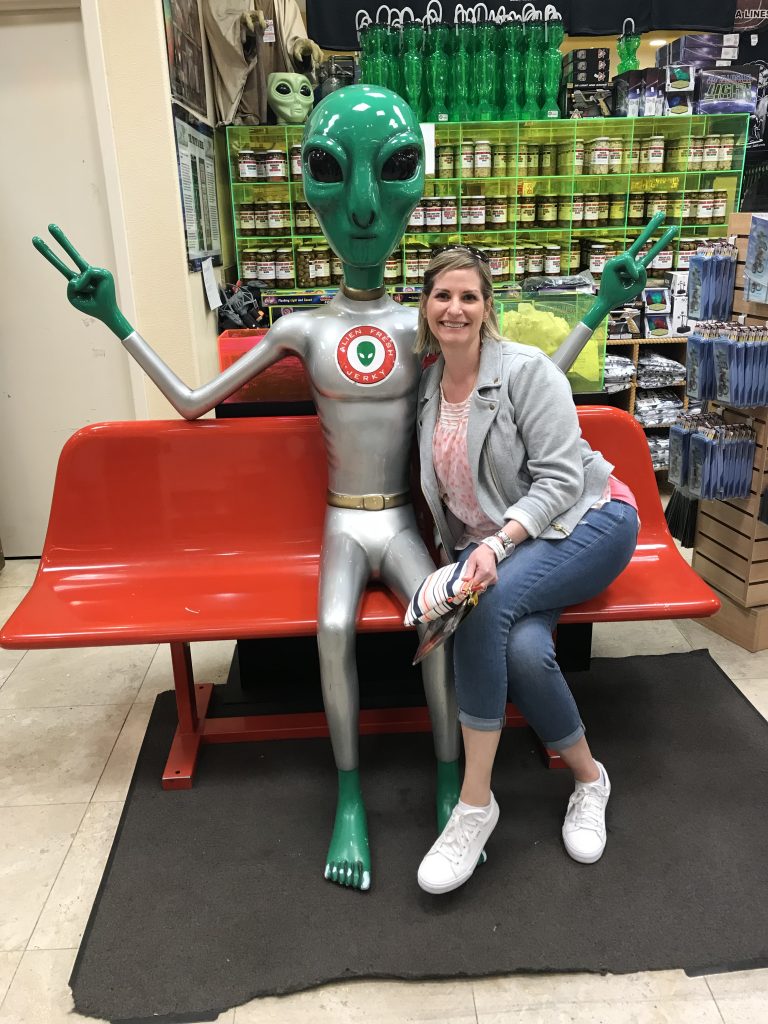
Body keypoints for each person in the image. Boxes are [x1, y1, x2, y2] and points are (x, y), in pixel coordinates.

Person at [413, 245, 640, 895]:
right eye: (442, 295)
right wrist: (465, 557)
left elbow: (563, 480)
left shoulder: (525, 370)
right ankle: (591, 779)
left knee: (485, 603)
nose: (455, 308)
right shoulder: (429, 386)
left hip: (591, 520)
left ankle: (474, 805)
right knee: (520, 648)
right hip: (510, 547)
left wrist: (496, 547)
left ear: (487, 308)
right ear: (425, 307)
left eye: (469, 296)